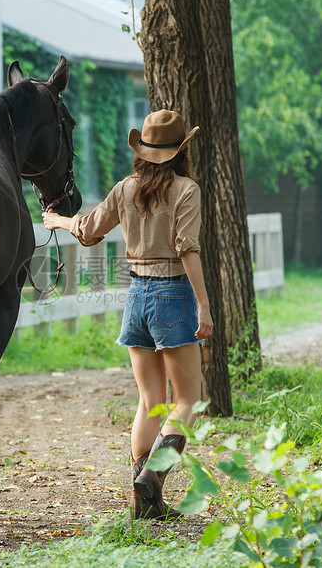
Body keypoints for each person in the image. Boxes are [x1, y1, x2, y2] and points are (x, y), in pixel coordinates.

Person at [41, 109, 213, 519]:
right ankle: (153, 477)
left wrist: (59, 220)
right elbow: (188, 248)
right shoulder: (187, 190)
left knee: (149, 400)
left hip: (136, 295)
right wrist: (203, 303)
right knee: (189, 398)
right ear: (180, 152)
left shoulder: (126, 188)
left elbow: (88, 231)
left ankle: (144, 503)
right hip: (173, 294)